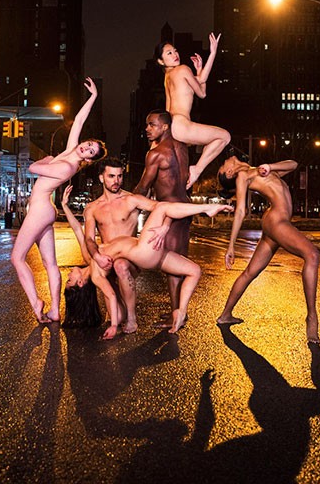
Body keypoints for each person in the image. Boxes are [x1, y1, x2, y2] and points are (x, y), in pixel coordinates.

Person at [10, 77, 106, 323]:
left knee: (17, 258)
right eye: (89, 144)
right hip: (45, 209)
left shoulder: (66, 166)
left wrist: (46, 159)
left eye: (91, 151)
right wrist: (93, 97)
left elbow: (33, 168)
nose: (86, 148)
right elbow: (79, 121)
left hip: (41, 210)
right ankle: (54, 310)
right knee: (50, 262)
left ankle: (36, 302)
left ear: (89, 160)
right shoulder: (70, 151)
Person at [215, 157, 320, 344]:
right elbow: (240, 211)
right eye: (224, 165)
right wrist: (231, 245)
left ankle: (225, 315)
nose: (226, 159)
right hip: (277, 221)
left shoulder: (258, 170)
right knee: (312, 255)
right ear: (229, 173)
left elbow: (294, 164)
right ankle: (312, 317)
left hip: (275, 222)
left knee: (250, 272)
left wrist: (270, 167)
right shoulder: (243, 176)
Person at [91, 200, 233, 339]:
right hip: (143, 252)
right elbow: (111, 295)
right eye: (74, 278)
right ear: (80, 282)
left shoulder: (95, 255)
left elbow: (84, 238)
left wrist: (67, 208)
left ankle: (181, 311)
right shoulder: (95, 273)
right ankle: (207, 208)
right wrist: (114, 325)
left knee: (194, 270)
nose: (74, 273)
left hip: (151, 252)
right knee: (162, 208)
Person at [83, 159, 159, 334]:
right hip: (107, 259)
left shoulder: (131, 200)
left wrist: (163, 227)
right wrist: (97, 257)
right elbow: (89, 239)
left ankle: (132, 319)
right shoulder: (92, 208)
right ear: (101, 178)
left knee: (121, 265)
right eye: (111, 176)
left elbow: (160, 207)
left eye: (119, 176)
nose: (116, 181)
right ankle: (119, 311)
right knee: (116, 316)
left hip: (129, 258)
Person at [133, 109, 191, 328]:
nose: (147, 129)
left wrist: (127, 201)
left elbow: (143, 186)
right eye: (147, 125)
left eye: (152, 125)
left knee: (172, 265)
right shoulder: (182, 147)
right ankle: (179, 311)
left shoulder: (156, 154)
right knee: (179, 260)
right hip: (184, 207)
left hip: (170, 210)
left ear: (165, 127)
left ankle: (177, 315)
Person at [156, 33, 230, 189]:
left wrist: (198, 71)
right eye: (169, 53)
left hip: (171, 128)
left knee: (212, 144)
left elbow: (201, 91)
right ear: (161, 61)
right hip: (181, 125)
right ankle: (197, 170)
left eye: (175, 51)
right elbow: (201, 87)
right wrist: (213, 53)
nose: (175, 55)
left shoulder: (168, 77)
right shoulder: (182, 69)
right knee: (224, 137)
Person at [59, 184, 103, 329]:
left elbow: (78, 229)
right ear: (80, 282)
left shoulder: (88, 258)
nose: (68, 274)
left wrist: (64, 206)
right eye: (69, 280)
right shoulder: (100, 273)